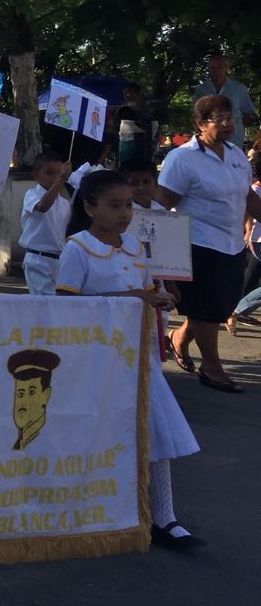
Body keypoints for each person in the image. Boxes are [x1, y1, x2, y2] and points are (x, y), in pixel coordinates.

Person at [55, 170, 202, 550]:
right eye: (115, 205)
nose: (125, 213)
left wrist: (162, 296)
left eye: (129, 205)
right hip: (97, 360)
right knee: (93, 434)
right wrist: (134, 298)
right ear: (89, 207)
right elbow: (65, 307)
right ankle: (79, 512)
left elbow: (148, 288)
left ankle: (165, 517)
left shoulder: (136, 246)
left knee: (156, 432)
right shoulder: (78, 248)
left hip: (139, 357)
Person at [157, 95, 261, 392]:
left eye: (232, 118)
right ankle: (212, 367)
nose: (229, 124)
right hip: (198, 243)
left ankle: (178, 338)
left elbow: (248, 198)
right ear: (200, 124)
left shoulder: (238, 155)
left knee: (220, 305)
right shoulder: (182, 158)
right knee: (206, 308)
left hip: (232, 244)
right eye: (221, 119)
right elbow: (163, 205)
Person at [17, 150, 72, 296]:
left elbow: (61, 233)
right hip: (38, 259)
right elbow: (43, 207)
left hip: (59, 260)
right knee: (46, 305)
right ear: (36, 174)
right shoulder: (32, 194)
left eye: (59, 173)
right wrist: (61, 179)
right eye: (50, 173)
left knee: (60, 304)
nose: (55, 178)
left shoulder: (65, 203)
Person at [228, 155, 261, 335]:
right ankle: (239, 309)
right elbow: (248, 212)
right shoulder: (255, 189)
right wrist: (247, 231)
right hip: (258, 239)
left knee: (251, 278)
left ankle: (239, 309)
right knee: (249, 276)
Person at [192, 55, 256, 127]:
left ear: (227, 68)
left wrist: (236, 126)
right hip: (210, 134)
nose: (216, 70)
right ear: (208, 70)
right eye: (212, 67)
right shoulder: (201, 89)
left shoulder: (239, 88)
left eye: (220, 67)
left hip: (234, 135)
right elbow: (197, 114)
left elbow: (248, 112)